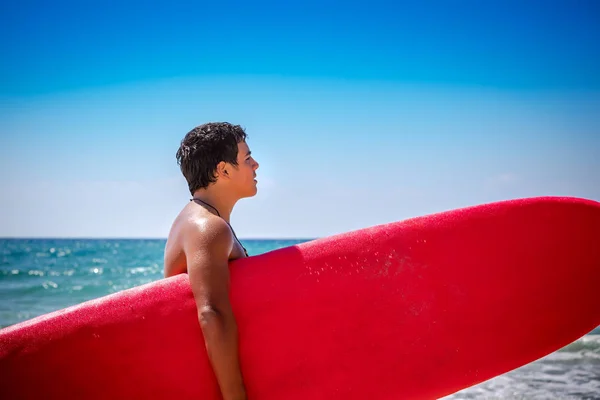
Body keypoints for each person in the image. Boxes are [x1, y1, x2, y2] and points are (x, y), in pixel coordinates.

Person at [164, 122, 259, 400]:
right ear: (224, 170)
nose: (256, 165)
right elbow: (211, 313)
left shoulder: (197, 220)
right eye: (247, 158)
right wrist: (236, 396)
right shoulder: (208, 228)